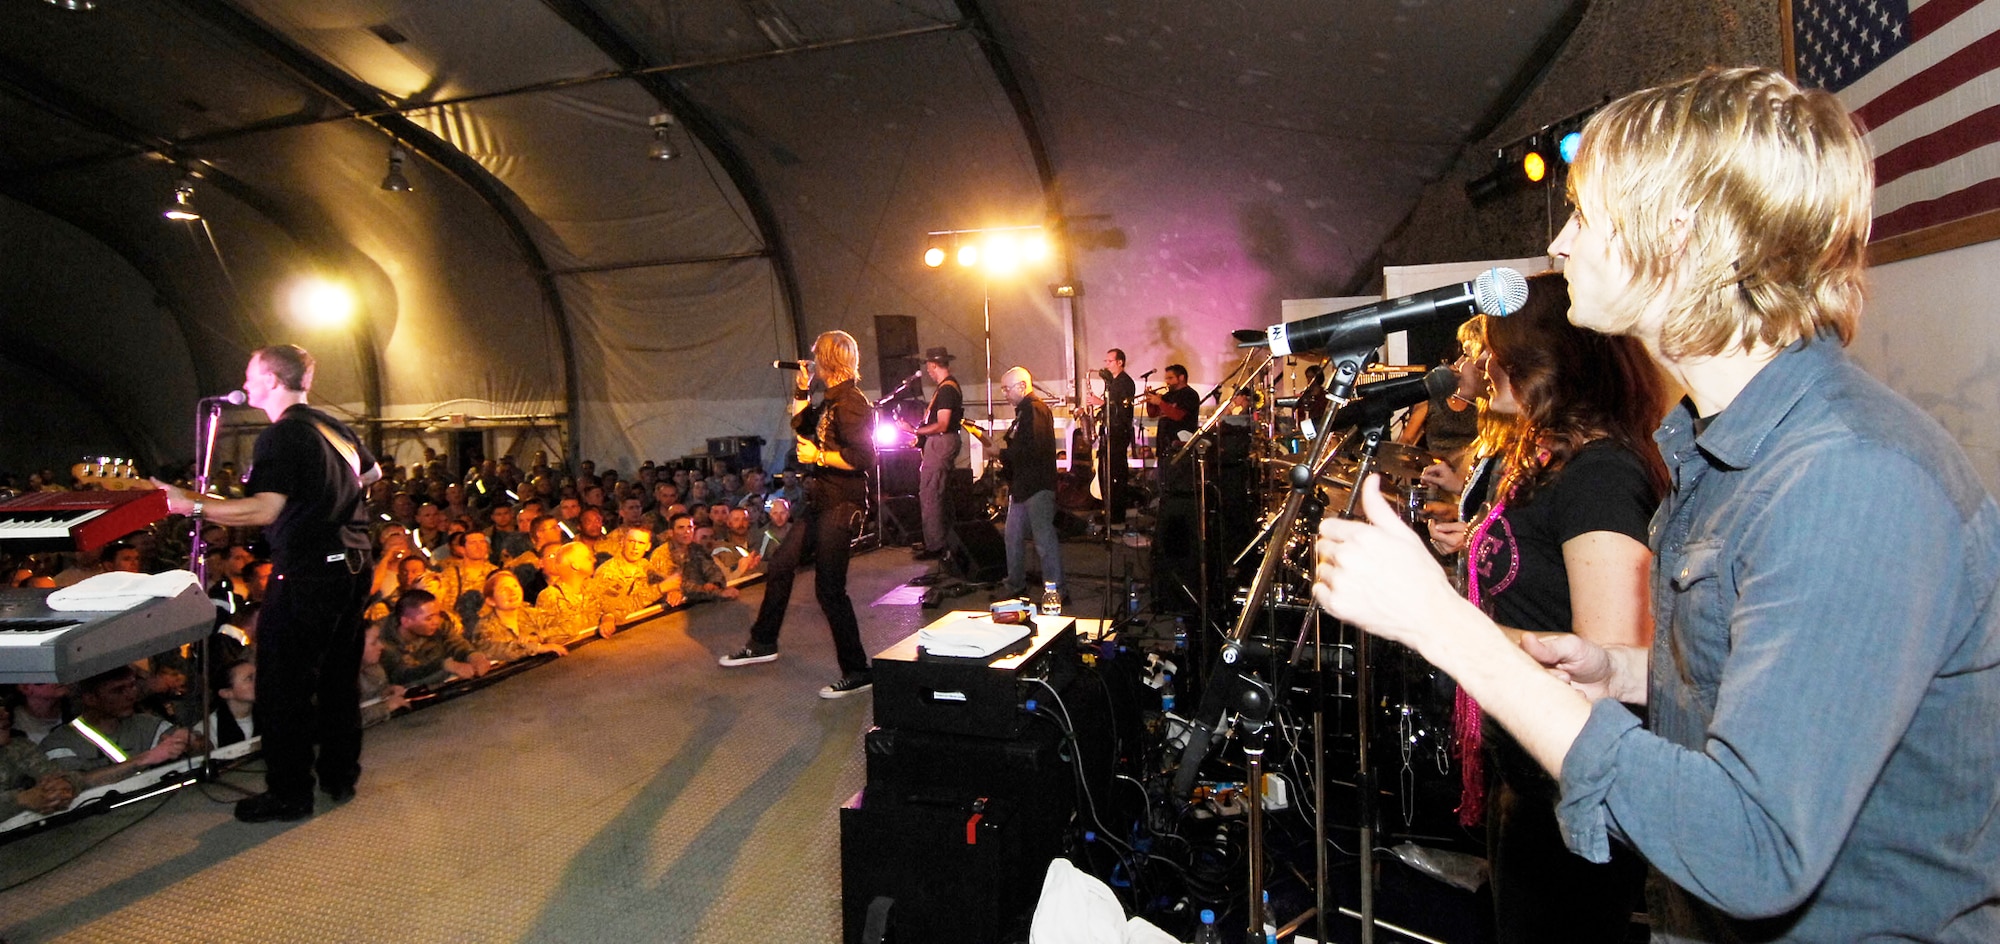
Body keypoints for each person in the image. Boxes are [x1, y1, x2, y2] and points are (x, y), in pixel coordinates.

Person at [1311, 67, 2000, 941]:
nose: (1560, 244)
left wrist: (1444, 626)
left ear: (1678, 237)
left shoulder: (1848, 477)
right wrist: (1635, 676)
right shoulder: (1725, 454)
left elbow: (1755, 848)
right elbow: (1785, 693)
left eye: (1587, 216)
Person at [1433, 272, 1666, 942]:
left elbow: (1606, 674)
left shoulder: (1602, 476)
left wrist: (1436, 620)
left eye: (1493, 350)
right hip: (1526, 774)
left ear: (1539, 363)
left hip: (1569, 795)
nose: (1479, 366)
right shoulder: (1551, 461)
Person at [154, 343, 378, 823]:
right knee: (338, 680)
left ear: (273, 381)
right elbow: (372, 473)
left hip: (308, 572)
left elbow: (262, 510)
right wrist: (328, 503)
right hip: (353, 564)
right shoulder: (330, 426)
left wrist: (185, 503)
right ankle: (340, 777)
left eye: (252, 373)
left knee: (282, 688)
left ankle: (290, 794)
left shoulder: (281, 436)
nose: (246, 381)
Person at [719, 330, 876, 698]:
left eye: (815, 356)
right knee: (781, 564)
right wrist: (802, 389)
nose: (811, 360)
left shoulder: (852, 402)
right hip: (820, 501)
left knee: (829, 590)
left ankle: (857, 670)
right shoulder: (831, 399)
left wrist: (819, 458)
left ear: (827, 358)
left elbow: (865, 458)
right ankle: (763, 642)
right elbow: (801, 426)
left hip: (843, 504)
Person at [998, 366, 1062, 598]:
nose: (1004, 393)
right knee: (1013, 536)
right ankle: (1015, 584)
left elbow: (1031, 449)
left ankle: (1056, 590)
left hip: (1036, 486)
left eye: (1007, 388)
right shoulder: (1026, 411)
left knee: (1043, 540)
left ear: (1022, 386)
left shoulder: (1034, 410)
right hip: (1024, 486)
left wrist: (1001, 454)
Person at [899, 347, 962, 561]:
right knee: (940, 494)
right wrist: (920, 440)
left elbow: (942, 424)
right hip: (941, 443)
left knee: (930, 494)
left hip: (941, 443)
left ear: (933, 365)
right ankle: (948, 541)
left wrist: (914, 430)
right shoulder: (947, 388)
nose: (927, 370)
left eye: (928, 366)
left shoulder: (946, 390)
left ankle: (935, 545)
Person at [1084, 349, 1135, 525]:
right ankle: (1108, 511)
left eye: (1110, 361)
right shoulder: (1112, 382)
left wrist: (1101, 402)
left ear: (1120, 362)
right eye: (1106, 361)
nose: (1106, 364)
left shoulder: (1125, 382)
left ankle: (1116, 515)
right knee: (1105, 472)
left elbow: (1121, 408)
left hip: (1118, 433)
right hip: (1109, 431)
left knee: (1116, 474)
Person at [1145, 364, 1201, 493]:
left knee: (1176, 485)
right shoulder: (1168, 395)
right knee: (1163, 485)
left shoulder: (1190, 395)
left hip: (1179, 447)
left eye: (1170, 378)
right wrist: (1150, 400)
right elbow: (1152, 414)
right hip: (1163, 446)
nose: (1167, 381)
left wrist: (1160, 402)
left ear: (1181, 377)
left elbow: (1177, 415)